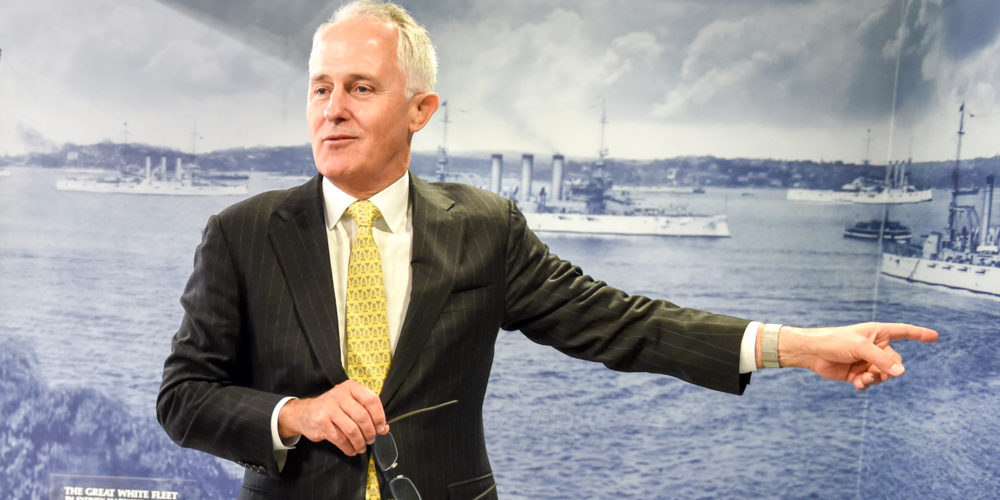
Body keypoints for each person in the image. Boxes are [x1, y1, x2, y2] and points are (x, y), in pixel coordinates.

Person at [156, 1, 939, 499]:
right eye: (321, 88)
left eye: (361, 87)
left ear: (420, 110)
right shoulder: (241, 233)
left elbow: (624, 324)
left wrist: (796, 346)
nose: (333, 108)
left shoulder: (484, 227)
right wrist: (295, 414)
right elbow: (184, 397)